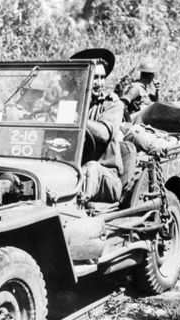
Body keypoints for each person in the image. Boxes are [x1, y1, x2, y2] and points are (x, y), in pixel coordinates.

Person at [70, 48, 125, 203]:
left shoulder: (112, 104)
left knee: (91, 169)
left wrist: (77, 119)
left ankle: (77, 209)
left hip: (106, 175)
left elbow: (103, 134)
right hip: (75, 170)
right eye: (95, 77)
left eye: (102, 78)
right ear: (82, 78)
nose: (99, 83)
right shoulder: (74, 103)